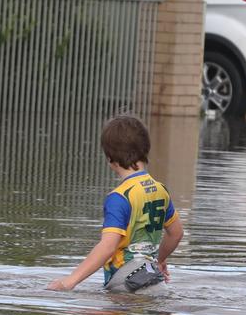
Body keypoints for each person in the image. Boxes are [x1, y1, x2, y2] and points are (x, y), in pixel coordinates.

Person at [48, 115, 185, 292]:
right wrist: (158, 261)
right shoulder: (160, 190)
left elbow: (107, 247)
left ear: (110, 158)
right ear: (146, 150)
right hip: (153, 280)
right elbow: (176, 233)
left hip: (126, 285)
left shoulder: (119, 197)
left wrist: (69, 282)